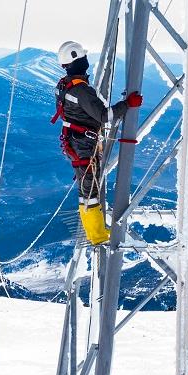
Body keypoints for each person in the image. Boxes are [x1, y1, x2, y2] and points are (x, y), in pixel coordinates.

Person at [51, 41, 142, 246]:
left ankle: (95, 231)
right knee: (89, 190)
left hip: (74, 140)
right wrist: (127, 104)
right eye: (83, 57)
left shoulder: (63, 85)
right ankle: (97, 236)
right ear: (77, 60)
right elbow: (104, 116)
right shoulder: (81, 90)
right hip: (83, 144)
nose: (86, 60)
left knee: (86, 188)